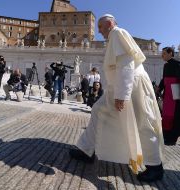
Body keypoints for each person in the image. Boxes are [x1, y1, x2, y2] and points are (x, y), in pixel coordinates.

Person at [69, 14, 164, 182]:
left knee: (142, 122)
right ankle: (86, 150)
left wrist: (122, 95)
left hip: (131, 86)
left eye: (100, 27)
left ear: (110, 23)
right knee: (98, 110)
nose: (99, 31)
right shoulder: (114, 37)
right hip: (121, 87)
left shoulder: (117, 33)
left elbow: (126, 64)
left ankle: (155, 166)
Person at [158, 47, 180, 145]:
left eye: (164, 53)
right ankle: (166, 136)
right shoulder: (166, 66)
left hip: (175, 95)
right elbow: (164, 79)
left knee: (175, 116)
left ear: (170, 53)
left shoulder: (178, 64)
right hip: (167, 95)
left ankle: (172, 138)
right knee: (166, 115)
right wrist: (159, 88)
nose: (162, 55)